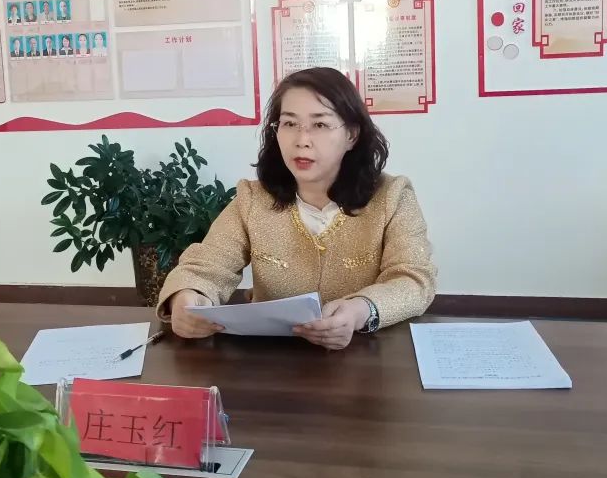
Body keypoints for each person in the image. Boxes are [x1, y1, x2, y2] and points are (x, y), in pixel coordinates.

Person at [158, 67, 437, 350]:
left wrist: (360, 310)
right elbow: (206, 266)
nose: (301, 140)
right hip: (272, 359)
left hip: (364, 354)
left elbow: (413, 280)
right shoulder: (252, 199)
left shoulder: (392, 197)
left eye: (320, 125)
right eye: (290, 123)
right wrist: (187, 295)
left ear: (352, 135)